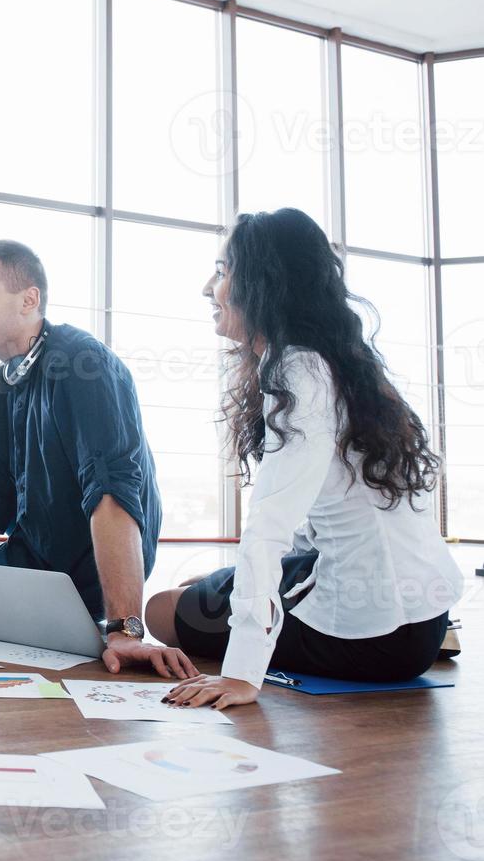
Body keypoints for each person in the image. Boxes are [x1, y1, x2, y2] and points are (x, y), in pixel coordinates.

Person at [146, 208, 462, 710]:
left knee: (162, 610)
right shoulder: (338, 365)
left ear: (264, 284)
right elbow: (308, 524)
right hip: (424, 621)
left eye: (223, 271)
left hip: (373, 640)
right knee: (196, 586)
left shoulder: (298, 372)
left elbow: (269, 528)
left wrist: (243, 674)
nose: (209, 288)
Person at [0, 240, 196, 679]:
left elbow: (113, 498)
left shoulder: (83, 364)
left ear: (29, 301)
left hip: (84, 577)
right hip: (33, 557)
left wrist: (124, 629)